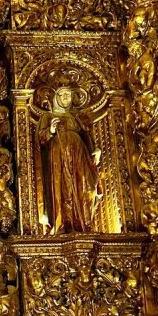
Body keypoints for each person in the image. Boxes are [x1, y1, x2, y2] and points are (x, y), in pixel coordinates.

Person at [37, 86, 101, 234]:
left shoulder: (75, 118)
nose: (66, 98)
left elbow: (87, 137)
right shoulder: (48, 116)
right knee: (64, 188)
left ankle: (84, 223)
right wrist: (51, 131)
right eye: (63, 94)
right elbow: (40, 141)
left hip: (79, 154)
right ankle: (63, 223)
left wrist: (95, 150)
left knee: (85, 185)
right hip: (58, 157)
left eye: (69, 95)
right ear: (56, 97)